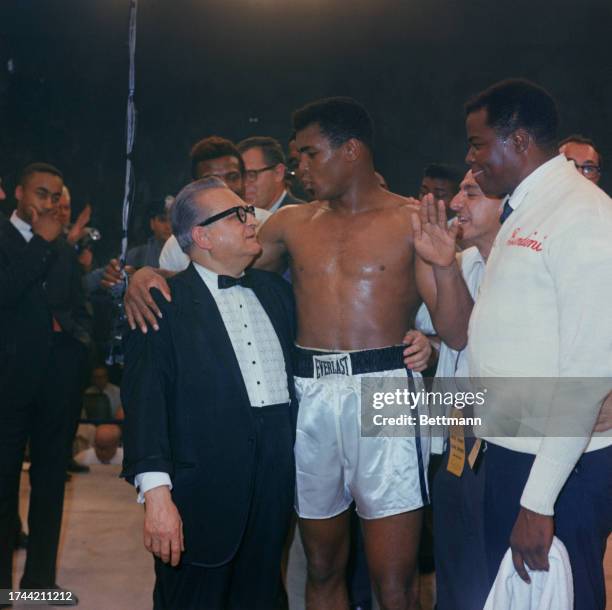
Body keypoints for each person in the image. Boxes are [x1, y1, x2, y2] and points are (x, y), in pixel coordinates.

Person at [123, 97, 433, 610]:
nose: (299, 168)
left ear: (351, 150)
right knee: (320, 566)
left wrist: (435, 345)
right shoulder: (292, 224)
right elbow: (211, 265)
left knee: (395, 581)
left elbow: (456, 325)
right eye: (295, 157)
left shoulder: (412, 218)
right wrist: (144, 275)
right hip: (310, 392)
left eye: (309, 154)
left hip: (386, 387)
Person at [462, 78, 612, 610]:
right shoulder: (527, 207)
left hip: (556, 467)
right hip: (512, 451)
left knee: (567, 598)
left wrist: (538, 500)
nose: (471, 157)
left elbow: (589, 364)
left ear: (519, 141)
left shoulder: (582, 214)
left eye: (478, 144)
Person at [121, 177, 298, 610]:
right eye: (237, 214)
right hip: (199, 505)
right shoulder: (159, 302)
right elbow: (147, 406)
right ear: (202, 236)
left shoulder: (278, 293)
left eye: (249, 211)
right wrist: (157, 499)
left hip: (273, 503)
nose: (251, 219)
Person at [411, 173, 501, 609]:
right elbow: (450, 334)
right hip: (454, 443)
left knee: (499, 577)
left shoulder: (526, 265)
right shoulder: (463, 262)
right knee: (455, 575)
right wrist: (422, 345)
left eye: (472, 193)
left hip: (505, 442)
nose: (457, 203)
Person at [0, 163, 78, 603]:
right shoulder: (5, 238)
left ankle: (40, 586)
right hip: (8, 383)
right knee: (3, 487)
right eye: (41, 193)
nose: (48, 204)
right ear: (18, 193)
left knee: (50, 485)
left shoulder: (62, 246)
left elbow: (71, 305)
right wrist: (42, 245)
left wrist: (77, 345)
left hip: (58, 383)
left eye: (54, 196)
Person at [237, 136, 305, 212]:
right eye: (240, 177)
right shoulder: (240, 217)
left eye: (251, 175)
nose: (243, 184)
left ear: (278, 173)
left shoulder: (304, 218)